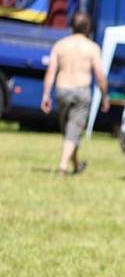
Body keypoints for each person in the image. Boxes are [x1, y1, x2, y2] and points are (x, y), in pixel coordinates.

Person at [40, 11, 110, 175]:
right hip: (81, 91)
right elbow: (100, 75)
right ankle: (63, 166)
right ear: (88, 28)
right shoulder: (92, 47)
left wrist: (46, 95)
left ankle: (77, 164)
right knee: (73, 131)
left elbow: (51, 72)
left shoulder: (60, 45)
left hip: (62, 90)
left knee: (70, 130)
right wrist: (105, 96)